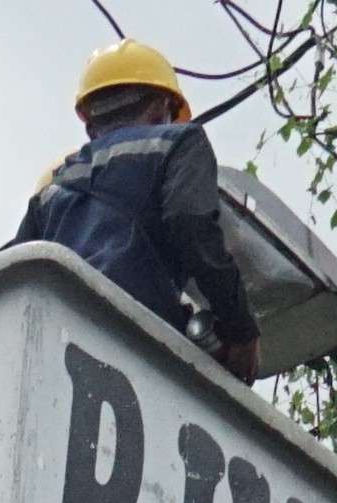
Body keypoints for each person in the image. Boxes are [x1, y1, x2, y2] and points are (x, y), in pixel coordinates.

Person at [19, 40, 261, 377]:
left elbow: (12, 269)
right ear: (162, 106)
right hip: (136, 338)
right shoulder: (180, 142)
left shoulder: (54, 187)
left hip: (62, 334)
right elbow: (189, 222)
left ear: (90, 124)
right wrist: (241, 330)